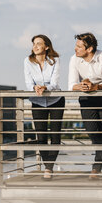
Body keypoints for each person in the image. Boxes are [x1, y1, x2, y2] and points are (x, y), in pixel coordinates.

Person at [68, 32, 102, 180]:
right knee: (93, 132)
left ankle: (96, 169)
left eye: (79, 46)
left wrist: (94, 87)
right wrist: (82, 87)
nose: (75, 49)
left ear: (89, 49)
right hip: (86, 98)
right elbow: (71, 85)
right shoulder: (74, 60)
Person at [24, 34, 65, 180]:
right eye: (34, 43)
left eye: (38, 43)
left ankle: (49, 167)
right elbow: (28, 83)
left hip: (55, 100)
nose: (35, 46)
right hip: (38, 101)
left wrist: (45, 87)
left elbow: (55, 82)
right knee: (41, 136)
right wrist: (35, 87)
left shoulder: (55, 61)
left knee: (55, 135)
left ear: (46, 46)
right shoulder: (28, 61)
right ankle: (48, 165)